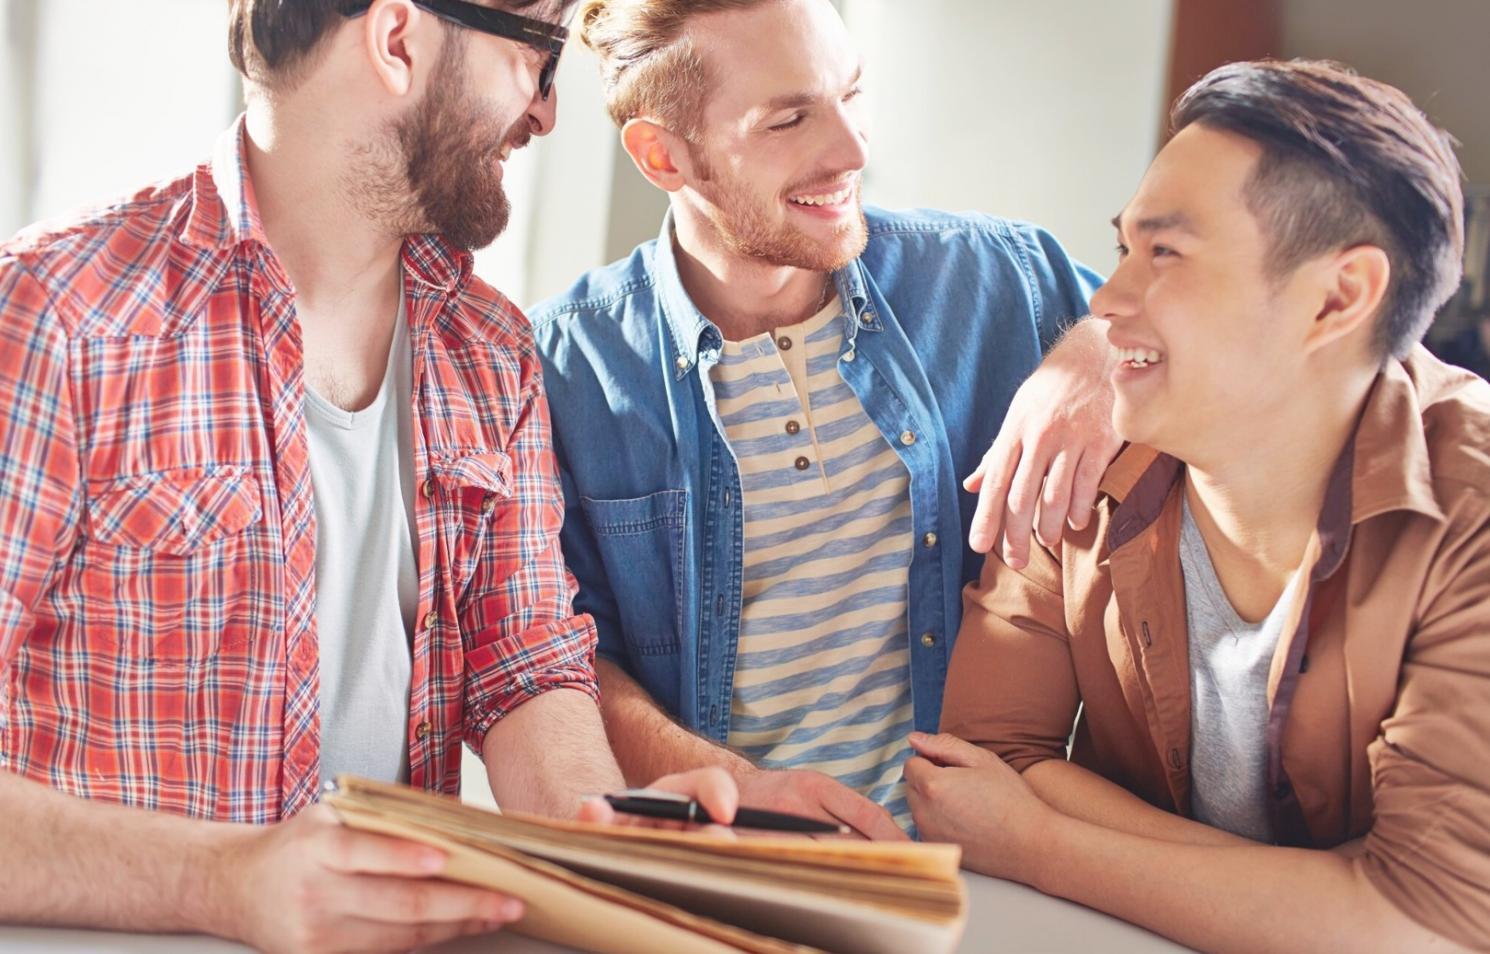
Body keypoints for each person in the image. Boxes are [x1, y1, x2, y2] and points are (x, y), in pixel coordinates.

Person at [0, 2, 731, 950]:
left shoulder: (493, 351)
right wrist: (223, 882)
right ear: (397, 41)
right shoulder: (54, 317)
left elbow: (524, 670)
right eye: (538, 57)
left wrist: (603, 836)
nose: (546, 114)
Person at [912, 59, 1490, 951]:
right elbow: (981, 770)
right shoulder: (1084, 452)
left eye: (1166, 255)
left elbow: (1425, 921)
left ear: (1337, 298)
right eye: (1123, 250)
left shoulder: (1469, 512)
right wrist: (1323, 895)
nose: (1105, 304)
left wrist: (1041, 845)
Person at [529, 0, 1117, 837]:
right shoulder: (560, 369)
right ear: (663, 156)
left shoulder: (997, 278)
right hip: (742, 864)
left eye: (852, 93)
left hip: (991, 867)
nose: (852, 151)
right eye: (789, 120)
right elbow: (562, 658)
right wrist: (741, 790)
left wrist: (1100, 349)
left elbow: (1187, 328)